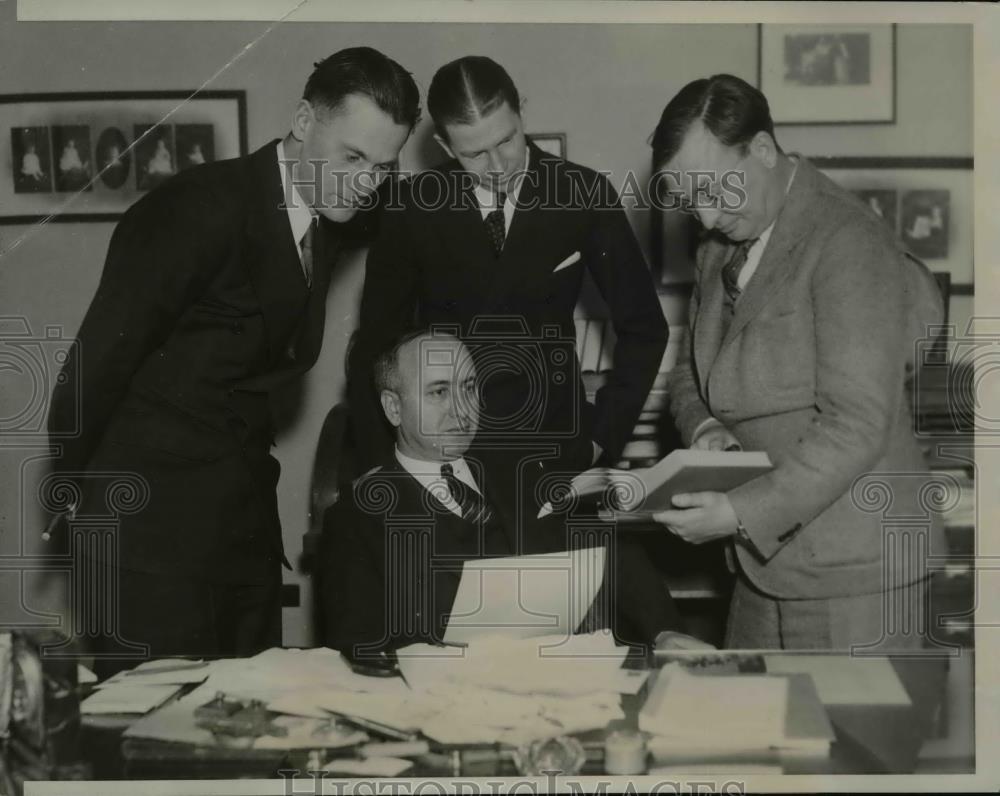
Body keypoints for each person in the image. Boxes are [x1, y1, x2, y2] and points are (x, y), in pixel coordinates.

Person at [46, 47, 420, 676]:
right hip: (147, 537)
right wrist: (71, 493)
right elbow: (94, 366)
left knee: (253, 735)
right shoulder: (197, 209)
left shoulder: (328, 207)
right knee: (154, 749)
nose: (365, 182)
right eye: (353, 157)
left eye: (382, 167)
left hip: (240, 528)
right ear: (303, 121)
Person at [649, 74, 945, 650]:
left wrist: (736, 512)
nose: (706, 219)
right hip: (766, 564)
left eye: (714, 191)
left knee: (849, 741)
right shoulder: (720, 250)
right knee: (750, 734)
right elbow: (690, 370)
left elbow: (855, 425)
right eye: (691, 203)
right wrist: (706, 426)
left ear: (762, 149)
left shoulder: (846, 238)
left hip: (857, 570)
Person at [348, 55, 668, 553]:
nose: (498, 167)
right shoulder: (412, 209)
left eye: (507, 140)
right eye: (474, 154)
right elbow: (375, 344)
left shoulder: (583, 194)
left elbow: (646, 327)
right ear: (444, 145)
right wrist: (378, 463)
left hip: (553, 450)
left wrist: (601, 437)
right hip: (447, 456)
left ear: (522, 113)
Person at [323, 329, 691, 655]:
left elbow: (610, 547)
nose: (462, 409)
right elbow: (360, 644)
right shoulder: (359, 516)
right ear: (393, 408)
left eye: (469, 388)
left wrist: (665, 631)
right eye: (439, 391)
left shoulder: (524, 474)